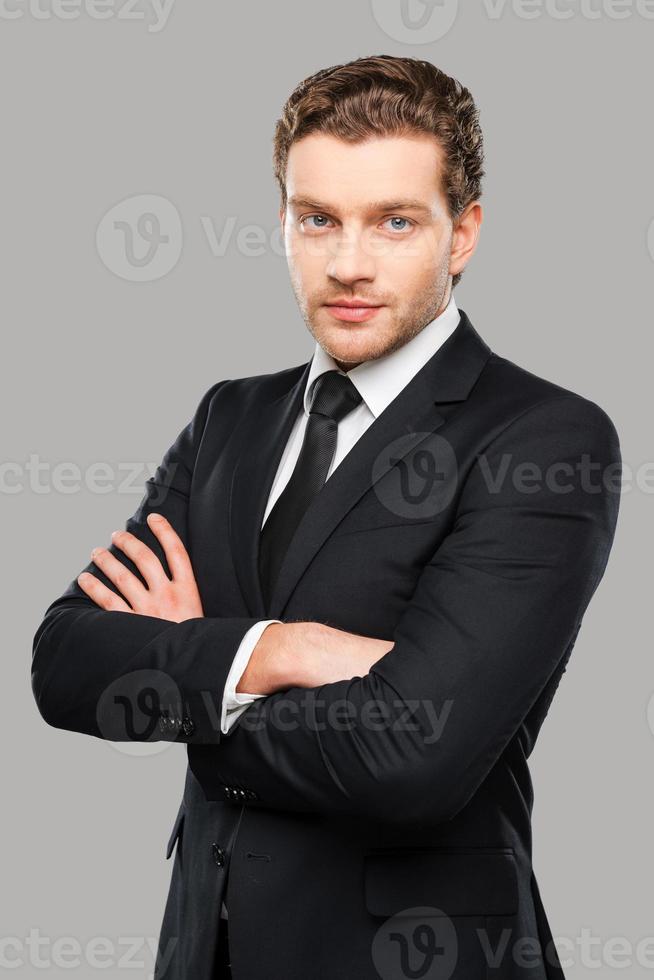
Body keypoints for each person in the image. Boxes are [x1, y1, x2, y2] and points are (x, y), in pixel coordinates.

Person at [32, 55, 621, 979]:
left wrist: (193, 669)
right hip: (207, 952)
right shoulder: (233, 416)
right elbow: (65, 662)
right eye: (319, 221)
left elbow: (413, 760)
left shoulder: (543, 437)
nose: (348, 263)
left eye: (395, 222)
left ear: (462, 234)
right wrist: (281, 650)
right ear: (285, 224)